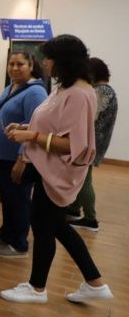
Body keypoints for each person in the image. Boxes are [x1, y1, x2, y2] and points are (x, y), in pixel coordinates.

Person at [0, 35, 112, 304]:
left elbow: (72, 144)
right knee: (56, 225)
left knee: (43, 227)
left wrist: (31, 137)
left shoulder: (79, 94)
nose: (46, 63)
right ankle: (95, 283)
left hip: (57, 172)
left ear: (65, 61)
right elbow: (53, 125)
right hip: (47, 167)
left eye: (50, 59)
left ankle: (37, 288)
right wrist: (26, 128)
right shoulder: (65, 88)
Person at [0, 51, 47, 258]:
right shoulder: (12, 87)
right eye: (11, 64)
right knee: (8, 199)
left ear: (31, 65)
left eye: (20, 64)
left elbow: (35, 128)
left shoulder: (35, 92)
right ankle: (6, 235)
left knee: (18, 200)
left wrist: (22, 159)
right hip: (5, 156)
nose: (15, 68)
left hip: (18, 158)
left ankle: (19, 244)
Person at [67, 57, 118, 231]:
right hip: (94, 141)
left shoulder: (101, 91)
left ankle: (90, 219)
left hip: (91, 142)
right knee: (82, 176)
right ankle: (74, 209)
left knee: (84, 179)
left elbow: (89, 116)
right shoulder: (106, 90)